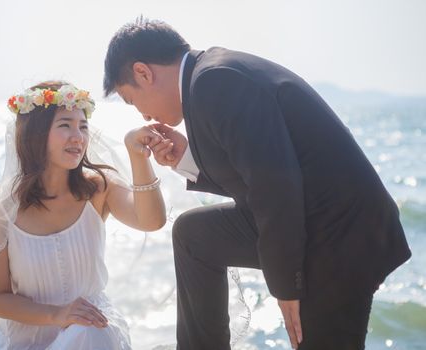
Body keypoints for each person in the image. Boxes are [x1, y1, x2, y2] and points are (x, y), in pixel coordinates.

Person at [103, 18, 412, 350]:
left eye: (132, 101)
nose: (143, 116)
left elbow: (275, 188)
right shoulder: (208, 77)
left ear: (143, 73)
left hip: (341, 235)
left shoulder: (215, 81)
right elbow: (259, 174)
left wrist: (286, 287)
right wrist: (185, 158)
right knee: (195, 236)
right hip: (314, 221)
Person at [0, 81, 167, 349]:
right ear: (35, 134)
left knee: (92, 332)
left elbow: (151, 221)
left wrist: (138, 157)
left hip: (93, 332)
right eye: (65, 125)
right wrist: (59, 314)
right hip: (26, 341)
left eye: (83, 126)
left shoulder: (99, 187)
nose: (78, 136)